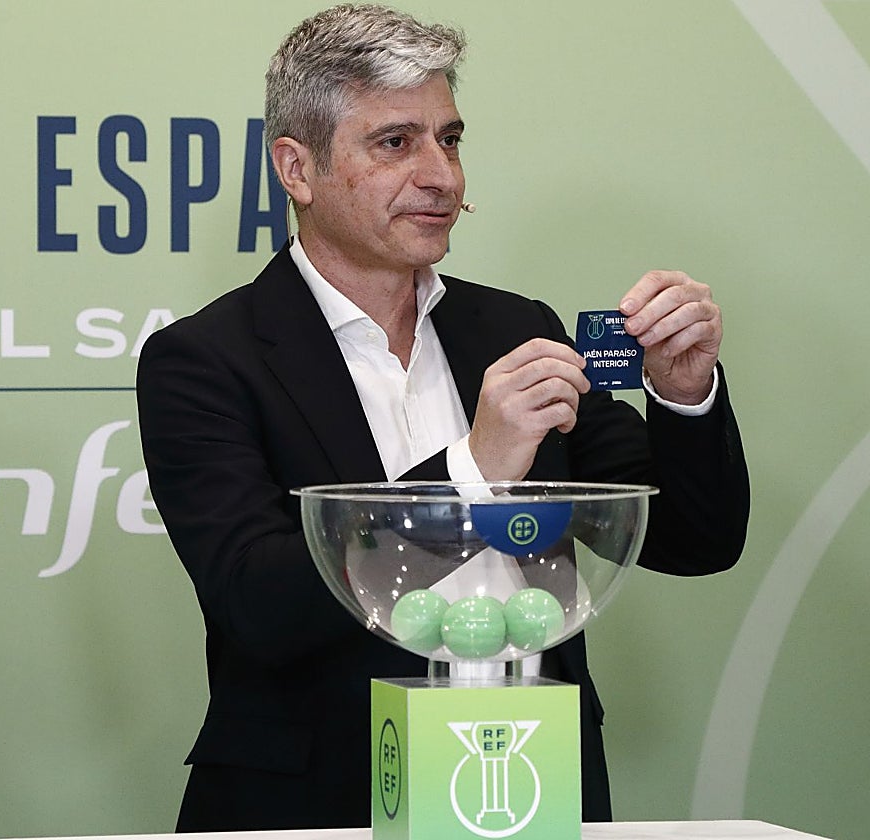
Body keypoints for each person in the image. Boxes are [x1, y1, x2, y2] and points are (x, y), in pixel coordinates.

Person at [136, 3, 749, 832]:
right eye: (396, 143)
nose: (442, 177)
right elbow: (258, 606)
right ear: (297, 169)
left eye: (449, 140)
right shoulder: (205, 360)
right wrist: (473, 469)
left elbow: (695, 542)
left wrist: (682, 393)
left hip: (529, 787)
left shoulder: (518, 329)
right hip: (319, 800)